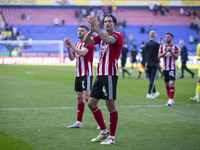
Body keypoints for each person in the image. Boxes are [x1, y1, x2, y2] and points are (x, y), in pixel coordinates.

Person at [83, 14, 123, 144]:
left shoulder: (118, 36)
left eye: (109, 21)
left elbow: (108, 40)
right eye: (105, 21)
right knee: (91, 103)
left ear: (114, 24)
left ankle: (112, 137)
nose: (106, 23)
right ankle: (104, 131)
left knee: (110, 105)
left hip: (110, 75)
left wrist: (97, 28)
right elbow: (86, 40)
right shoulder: (100, 37)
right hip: (100, 75)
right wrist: (91, 30)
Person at [64, 25, 95, 128]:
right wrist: (69, 49)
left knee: (87, 98)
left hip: (87, 73)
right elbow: (72, 58)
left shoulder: (89, 43)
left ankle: (101, 121)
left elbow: (82, 53)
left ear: (87, 33)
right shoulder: (77, 44)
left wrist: (71, 45)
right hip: (78, 74)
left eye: (82, 30)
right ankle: (79, 122)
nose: (79, 32)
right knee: (79, 98)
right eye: (78, 30)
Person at [158, 33, 179, 106]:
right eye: (166, 37)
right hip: (165, 68)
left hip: (172, 68)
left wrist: (171, 52)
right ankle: (171, 99)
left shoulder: (175, 47)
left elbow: (176, 57)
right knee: (167, 84)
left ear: (171, 38)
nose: (167, 38)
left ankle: (170, 100)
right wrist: (167, 51)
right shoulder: (162, 47)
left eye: (168, 37)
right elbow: (159, 56)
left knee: (171, 83)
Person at [145, 31, 160, 98]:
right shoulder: (157, 45)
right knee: (152, 79)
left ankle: (154, 92)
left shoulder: (147, 44)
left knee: (151, 79)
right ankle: (149, 93)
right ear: (154, 35)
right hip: (154, 63)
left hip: (148, 63)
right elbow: (159, 52)